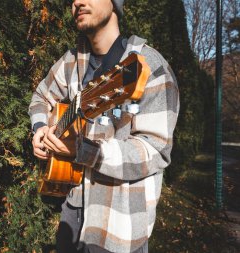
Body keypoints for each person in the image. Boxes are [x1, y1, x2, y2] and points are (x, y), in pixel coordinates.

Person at [29, 0, 180, 252]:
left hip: (119, 225)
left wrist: (83, 151)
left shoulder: (149, 66)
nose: (77, 1)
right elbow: (40, 97)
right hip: (73, 208)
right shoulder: (70, 62)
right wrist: (40, 128)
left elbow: (154, 151)